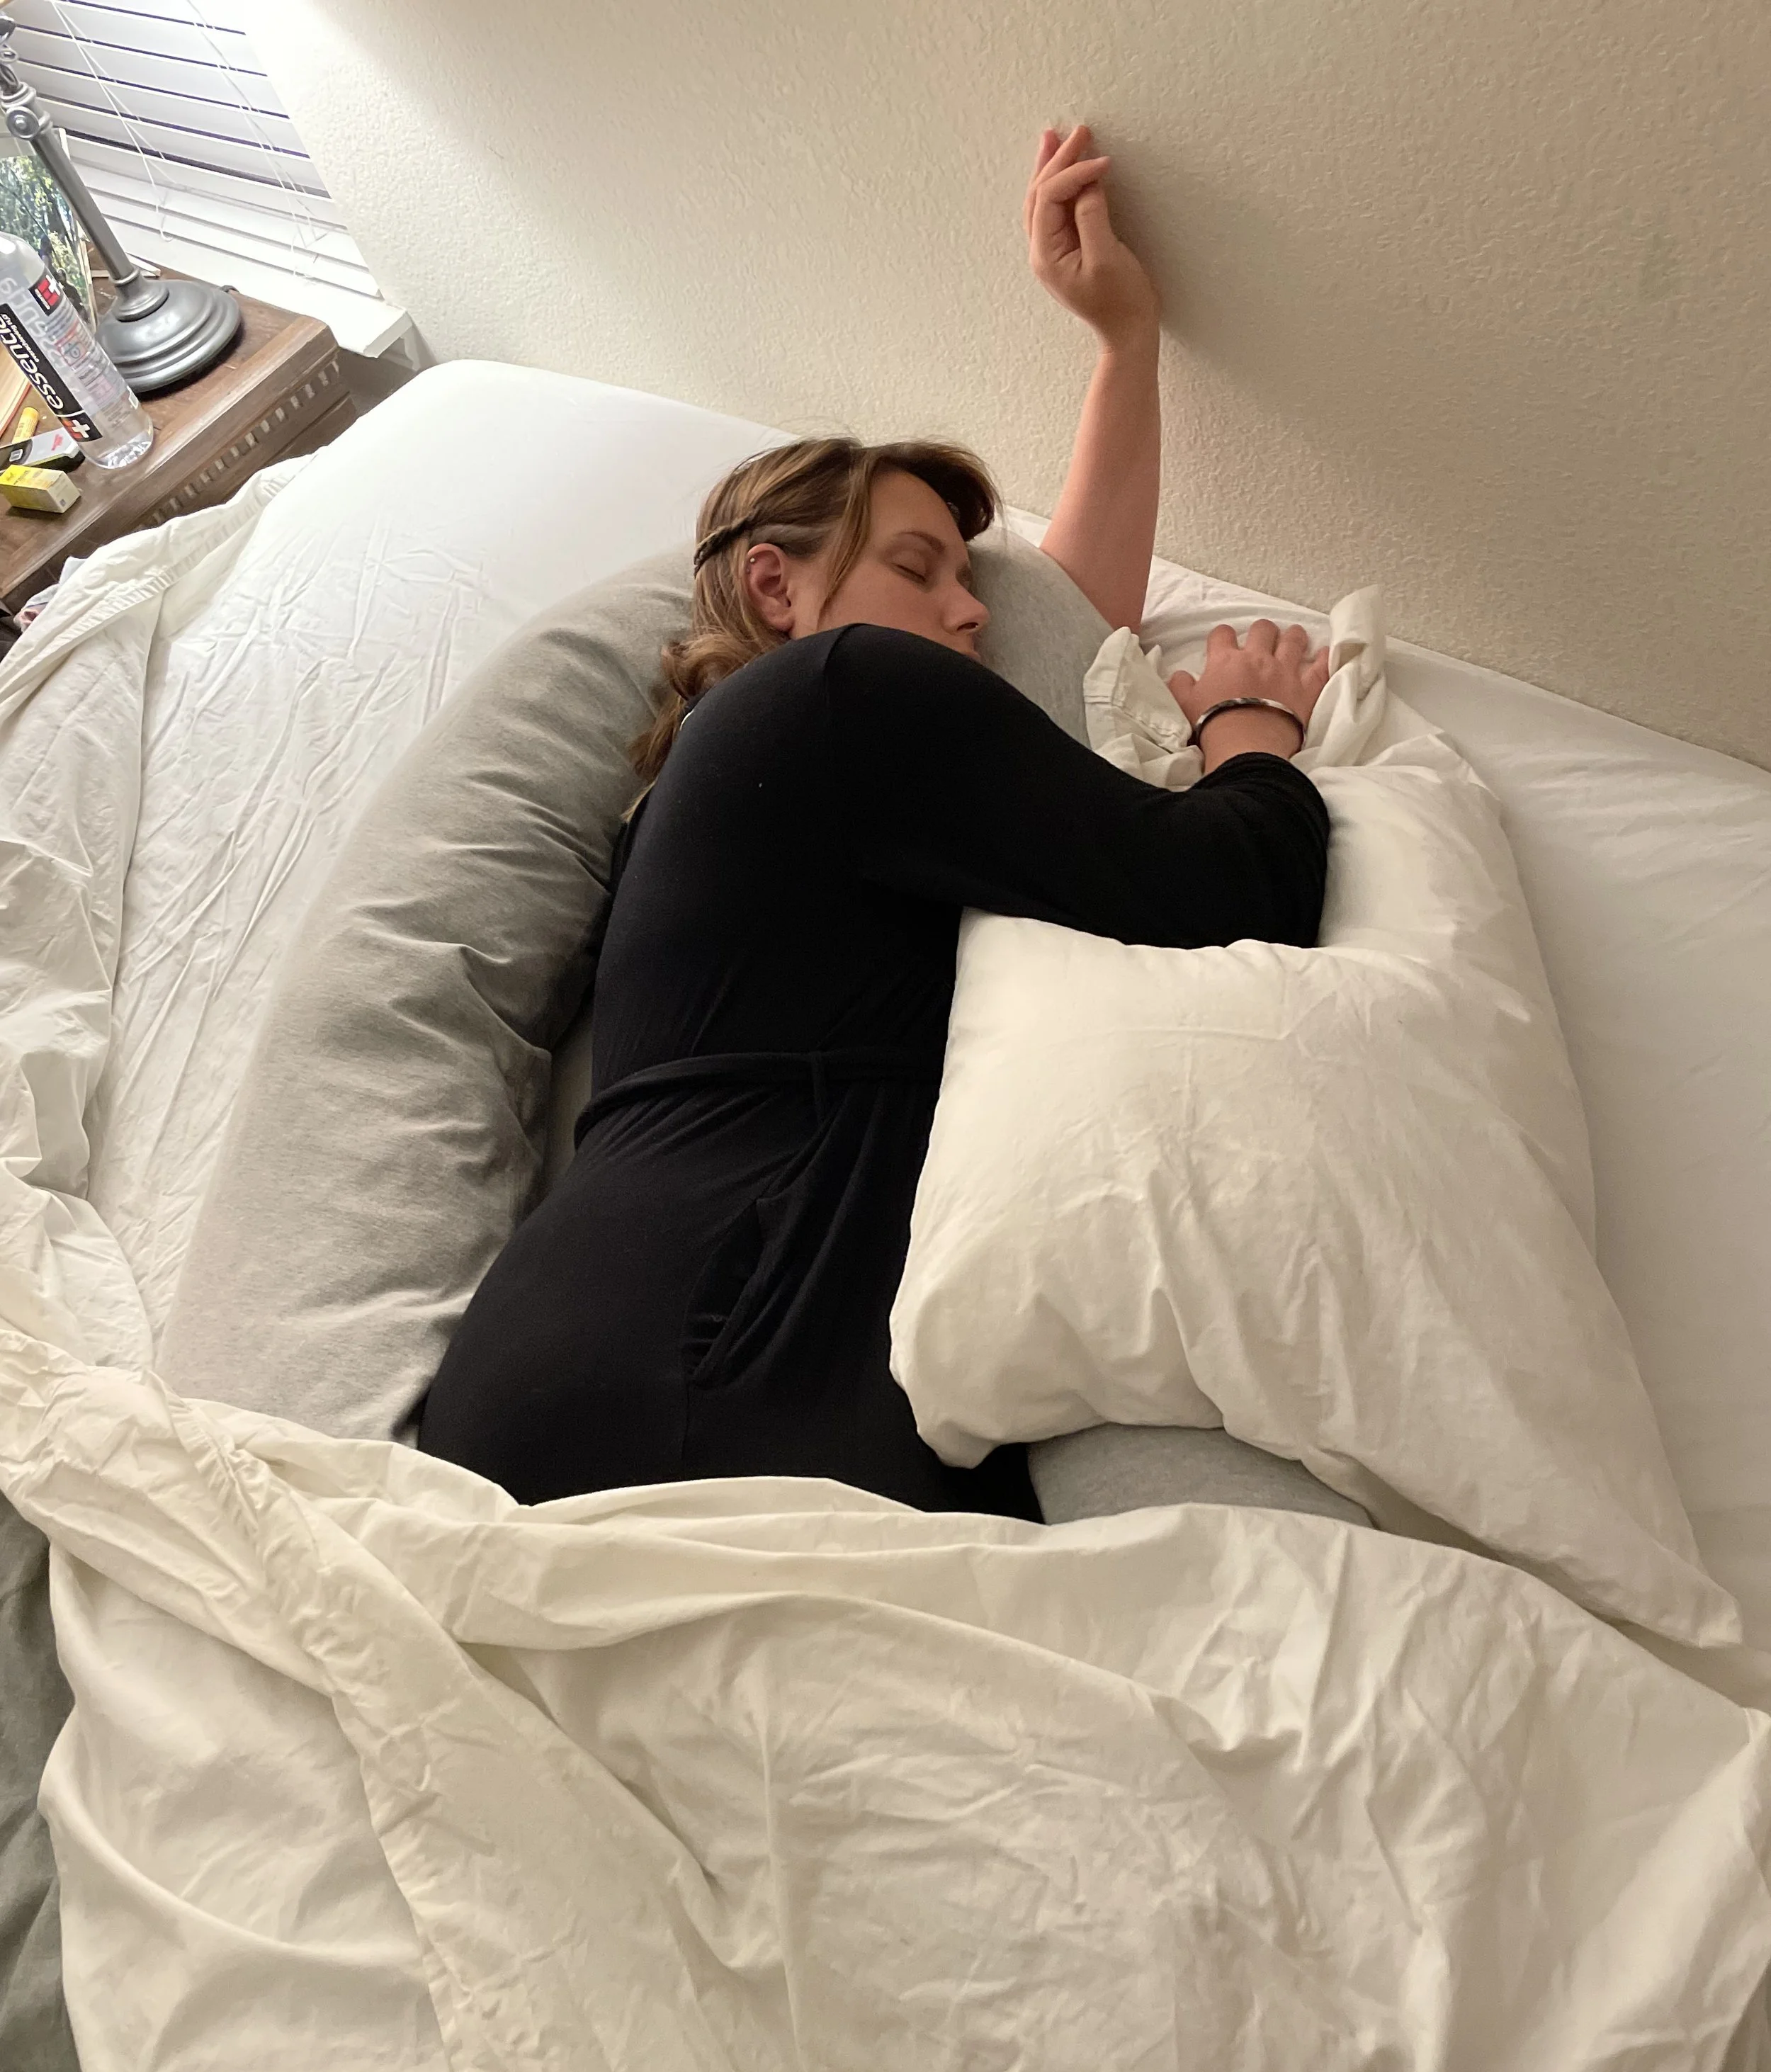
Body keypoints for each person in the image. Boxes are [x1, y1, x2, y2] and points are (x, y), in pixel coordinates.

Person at [418, 125, 1333, 1520]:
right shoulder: (837, 693)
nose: (972, 611)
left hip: (615, 1351)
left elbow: (1059, 632)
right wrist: (1250, 730)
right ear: (775, 587)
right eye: (920, 567)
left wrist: (1124, 343)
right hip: (707, 1345)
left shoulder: (751, 784)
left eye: (969, 576)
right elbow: (1234, 886)